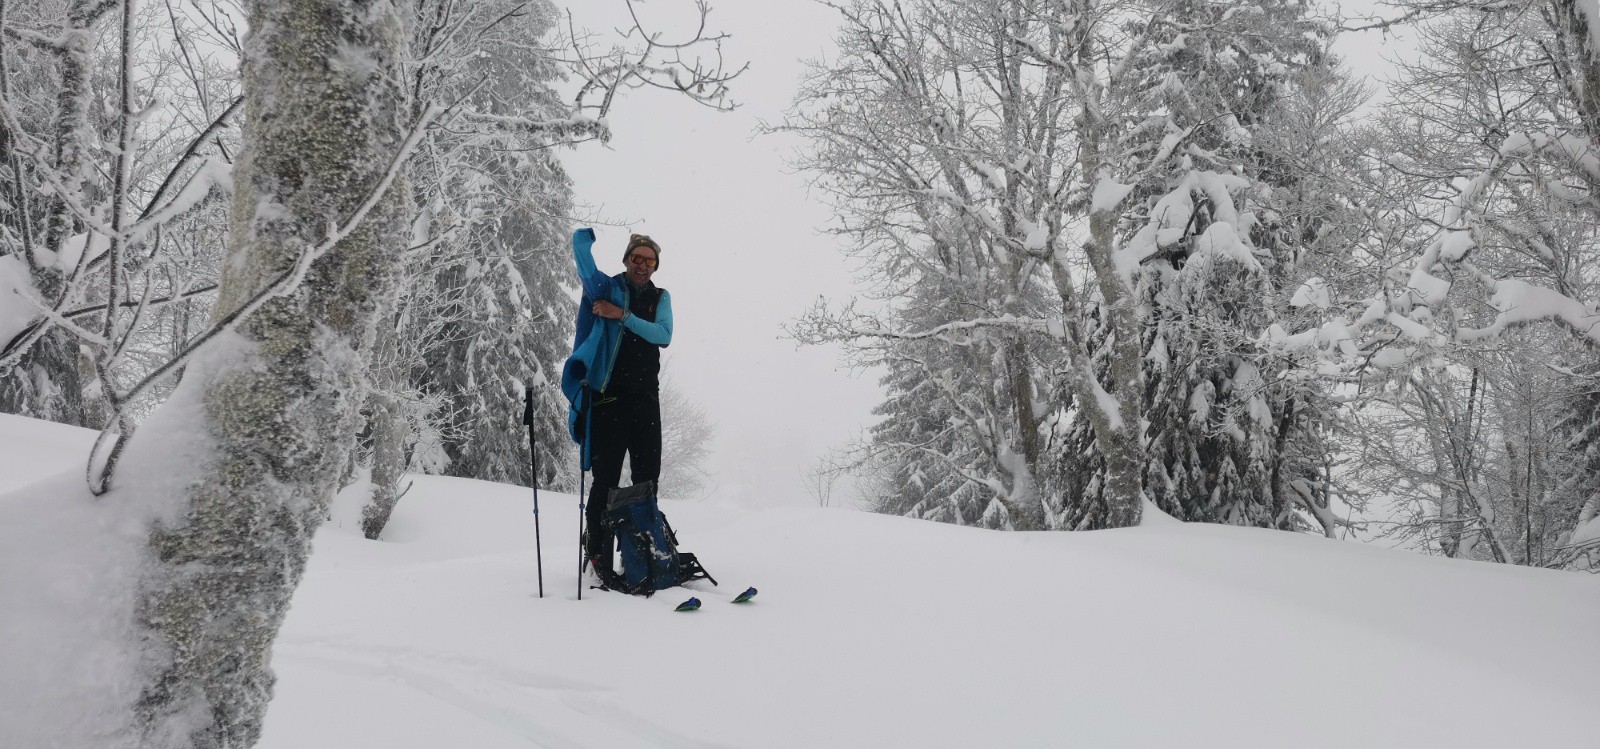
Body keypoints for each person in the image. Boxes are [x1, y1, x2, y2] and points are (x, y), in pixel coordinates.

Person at [560, 229, 673, 580]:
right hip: (609, 398)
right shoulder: (608, 288)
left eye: (648, 261)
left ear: (655, 266)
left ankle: (645, 552)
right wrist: (582, 245)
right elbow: (587, 275)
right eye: (636, 258)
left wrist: (621, 315)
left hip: (645, 400)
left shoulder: (660, 297)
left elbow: (663, 335)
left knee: (647, 479)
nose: (642, 265)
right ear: (626, 260)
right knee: (605, 480)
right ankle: (597, 552)